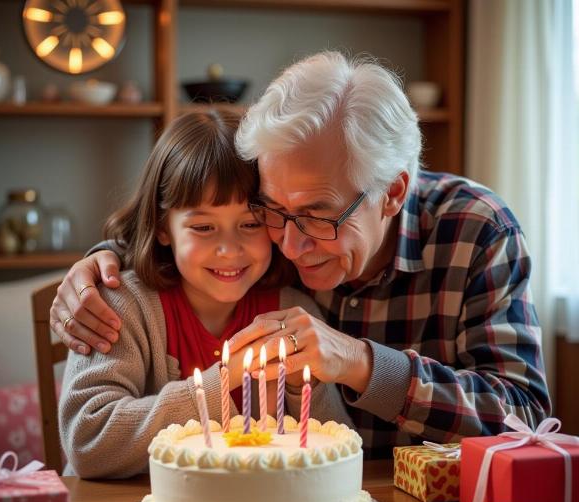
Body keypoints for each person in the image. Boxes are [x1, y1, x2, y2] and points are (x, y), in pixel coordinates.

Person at [52, 52, 550, 458]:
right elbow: (196, 227)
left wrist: (360, 362)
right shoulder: (267, 243)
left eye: (319, 215)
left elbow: (525, 418)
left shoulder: (478, 231)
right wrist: (105, 259)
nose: (290, 245)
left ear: (393, 193)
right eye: (271, 211)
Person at [58, 109, 352, 479]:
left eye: (250, 224)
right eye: (203, 227)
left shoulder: (291, 311)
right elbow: (89, 441)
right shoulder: (120, 305)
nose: (229, 249)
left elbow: (339, 448)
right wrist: (220, 382)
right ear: (164, 228)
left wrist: (298, 387)